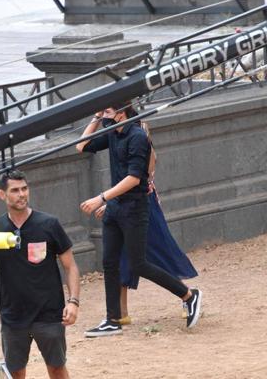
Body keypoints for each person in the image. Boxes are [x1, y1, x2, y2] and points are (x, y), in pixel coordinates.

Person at [77, 102, 202, 337]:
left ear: (122, 113)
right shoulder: (114, 132)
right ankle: (113, 319)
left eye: (107, 111)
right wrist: (95, 115)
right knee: (110, 263)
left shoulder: (137, 136)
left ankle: (188, 295)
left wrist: (101, 198)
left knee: (139, 264)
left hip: (134, 207)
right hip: (115, 207)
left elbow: (134, 178)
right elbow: (82, 146)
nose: (104, 116)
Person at [0, 170, 80, 379]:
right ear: (2, 195)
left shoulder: (49, 224)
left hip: (48, 314)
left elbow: (70, 266)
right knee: (15, 372)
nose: (22, 194)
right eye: (15, 190)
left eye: (24, 189)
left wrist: (73, 302)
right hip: (13, 316)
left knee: (56, 368)